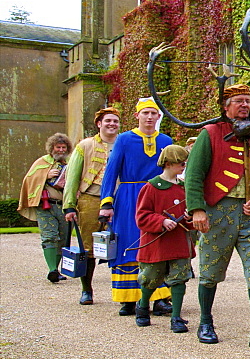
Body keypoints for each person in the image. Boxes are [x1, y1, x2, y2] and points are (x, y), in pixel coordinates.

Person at [185, 83, 250, 349]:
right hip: (218, 211)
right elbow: (194, 175)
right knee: (210, 269)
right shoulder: (211, 134)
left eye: (248, 101)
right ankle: (205, 322)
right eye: (239, 101)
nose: (245, 105)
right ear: (226, 107)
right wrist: (198, 209)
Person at [99, 99, 173, 316]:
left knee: (157, 244)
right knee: (128, 244)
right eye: (145, 113)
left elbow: (173, 171)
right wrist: (107, 203)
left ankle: (159, 297)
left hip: (157, 197)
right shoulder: (123, 139)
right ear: (137, 116)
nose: (149, 117)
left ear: (158, 117)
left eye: (153, 113)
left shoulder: (166, 140)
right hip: (129, 197)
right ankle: (128, 298)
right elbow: (111, 172)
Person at [134, 144, 195, 332]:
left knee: (180, 278)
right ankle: (142, 306)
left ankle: (176, 317)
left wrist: (189, 217)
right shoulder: (151, 187)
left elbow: (193, 214)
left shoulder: (185, 187)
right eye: (180, 163)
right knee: (151, 278)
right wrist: (161, 221)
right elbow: (141, 216)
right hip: (157, 244)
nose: (184, 166)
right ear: (168, 164)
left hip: (179, 242)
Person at [63, 107, 121, 305]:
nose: (112, 124)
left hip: (118, 200)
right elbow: (72, 177)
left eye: (115, 121)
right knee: (88, 246)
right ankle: (86, 289)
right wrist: (69, 205)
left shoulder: (124, 143)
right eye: (108, 121)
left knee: (119, 243)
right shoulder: (85, 145)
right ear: (99, 124)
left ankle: (123, 291)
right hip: (90, 199)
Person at [18, 133, 73, 283]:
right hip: (45, 206)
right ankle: (52, 270)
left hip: (63, 207)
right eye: (58, 147)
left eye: (64, 147)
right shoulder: (41, 162)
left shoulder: (70, 164)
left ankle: (56, 269)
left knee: (62, 239)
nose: (61, 150)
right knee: (49, 236)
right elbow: (29, 179)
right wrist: (46, 175)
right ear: (52, 148)